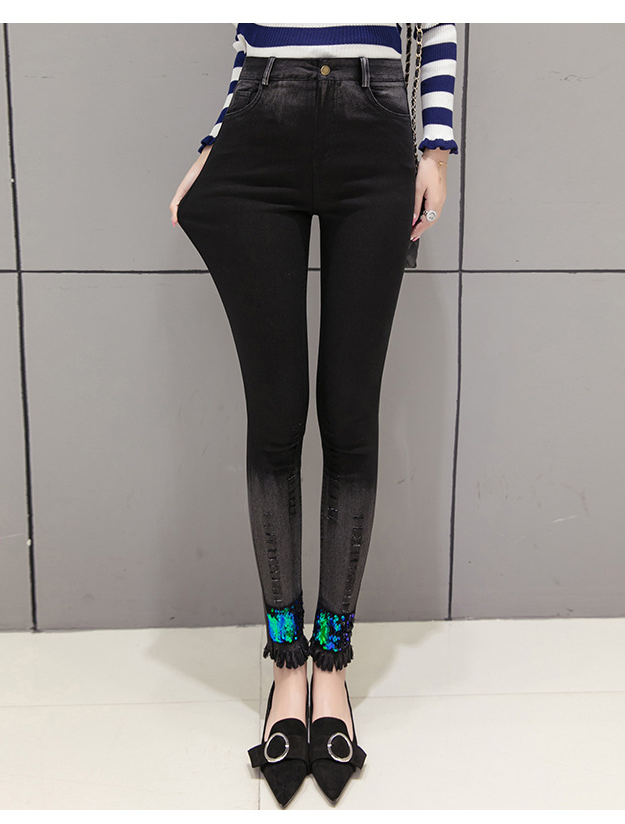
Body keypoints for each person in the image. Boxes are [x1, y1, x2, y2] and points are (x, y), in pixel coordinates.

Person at [169, 23, 458, 807]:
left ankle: (331, 668)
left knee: (351, 421)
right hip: (262, 112)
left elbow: (439, 21)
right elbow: (247, 38)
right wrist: (214, 142)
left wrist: (435, 150)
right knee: (275, 423)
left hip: (374, 115)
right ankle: (286, 669)